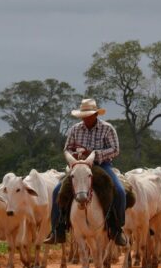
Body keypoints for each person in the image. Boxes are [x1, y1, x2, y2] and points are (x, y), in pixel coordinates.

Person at [44, 98, 127, 246]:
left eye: (88, 115)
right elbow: (67, 148)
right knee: (58, 190)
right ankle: (58, 229)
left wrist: (95, 153)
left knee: (120, 191)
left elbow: (115, 150)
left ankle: (117, 229)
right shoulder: (75, 129)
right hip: (79, 165)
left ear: (96, 115)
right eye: (84, 116)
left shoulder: (107, 128)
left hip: (102, 165)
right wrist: (74, 156)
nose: (86, 119)